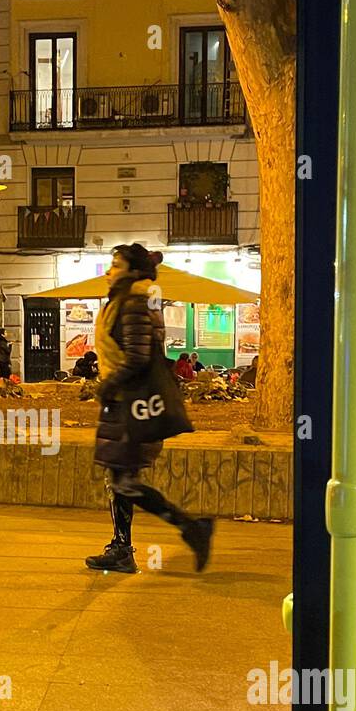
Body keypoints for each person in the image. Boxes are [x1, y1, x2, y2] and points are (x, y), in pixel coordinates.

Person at [86, 242, 213, 574]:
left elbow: (138, 358)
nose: (109, 271)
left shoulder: (133, 304)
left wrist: (107, 385)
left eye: (115, 264)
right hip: (123, 405)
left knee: (124, 482)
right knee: (120, 479)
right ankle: (121, 548)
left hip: (130, 406)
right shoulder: (126, 302)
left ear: (132, 271)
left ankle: (191, 528)